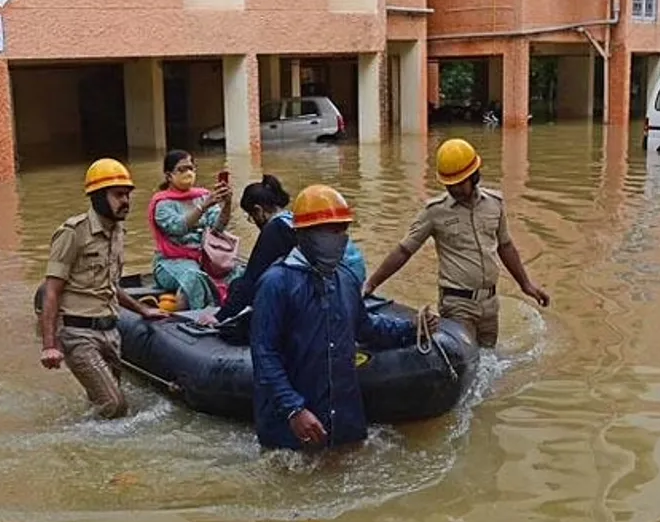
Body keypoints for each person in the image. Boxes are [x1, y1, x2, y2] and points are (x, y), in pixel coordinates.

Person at [250, 184, 428, 451]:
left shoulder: (344, 278)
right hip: (292, 427)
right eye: (330, 231)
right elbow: (264, 353)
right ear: (304, 234)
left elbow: (366, 328)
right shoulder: (277, 283)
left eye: (343, 229)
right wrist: (293, 409)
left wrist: (412, 329)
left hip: (344, 420)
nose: (340, 237)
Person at [362, 138, 550, 348]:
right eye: (450, 185)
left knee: (488, 361)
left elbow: (505, 246)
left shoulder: (495, 204)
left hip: (489, 302)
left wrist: (526, 284)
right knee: (465, 360)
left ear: (474, 176)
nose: (456, 189)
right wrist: (372, 284)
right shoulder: (434, 212)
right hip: (457, 303)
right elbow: (404, 250)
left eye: (461, 183)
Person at [39, 158, 167, 418]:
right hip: (78, 334)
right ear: (97, 197)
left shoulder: (119, 233)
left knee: (103, 403)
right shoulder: (73, 233)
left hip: (111, 332)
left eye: (128, 195)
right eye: (118, 195)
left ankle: (91, 443)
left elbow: (109, 285)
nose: (126, 202)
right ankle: (73, 444)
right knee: (114, 404)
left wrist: (143, 309)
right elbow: (51, 290)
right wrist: (49, 345)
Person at [201, 175, 366, 331]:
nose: (254, 222)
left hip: (333, 285)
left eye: (251, 217)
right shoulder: (292, 219)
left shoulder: (275, 229)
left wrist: (220, 316)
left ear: (258, 211)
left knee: (239, 285)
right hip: (351, 279)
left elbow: (252, 278)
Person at [148, 150, 244, 310]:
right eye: (182, 169)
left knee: (239, 271)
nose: (188, 173)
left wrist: (227, 204)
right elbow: (178, 227)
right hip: (171, 262)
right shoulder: (162, 203)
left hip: (205, 259)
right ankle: (202, 318)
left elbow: (217, 227)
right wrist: (204, 206)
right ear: (169, 175)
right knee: (194, 277)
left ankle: (233, 311)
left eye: (191, 168)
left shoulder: (202, 195)